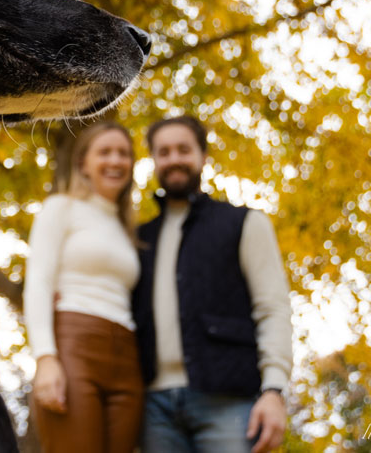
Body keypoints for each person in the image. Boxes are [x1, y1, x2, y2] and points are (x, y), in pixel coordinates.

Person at [132, 115, 293, 453]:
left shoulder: (245, 223)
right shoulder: (139, 239)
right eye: (163, 152)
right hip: (153, 408)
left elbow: (273, 308)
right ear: (154, 161)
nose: (174, 158)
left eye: (183, 149)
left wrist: (275, 390)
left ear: (203, 157)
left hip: (229, 400)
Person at [23, 122, 143, 453]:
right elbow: (39, 282)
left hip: (127, 359)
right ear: (83, 163)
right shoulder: (61, 207)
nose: (115, 161)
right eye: (104, 152)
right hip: (75, 344)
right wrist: (45, 357)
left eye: (123, 153)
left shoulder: (126, 230)